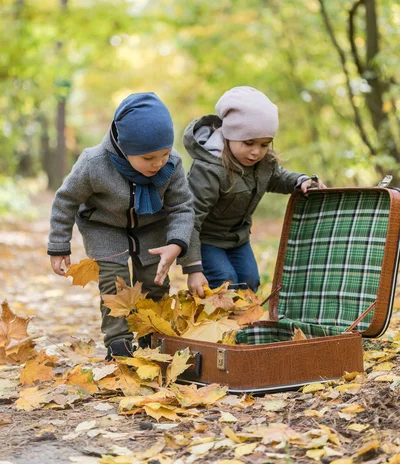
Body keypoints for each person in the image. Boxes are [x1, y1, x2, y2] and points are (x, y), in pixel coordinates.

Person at [48, 92, 207, 359]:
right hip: (105, 226)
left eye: (164, 154)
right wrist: (58, 246)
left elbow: (182, 207)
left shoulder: (172, 163)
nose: (158, 164)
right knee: (115, 283)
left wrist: (177, 244)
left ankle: (150, 336)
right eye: (148, 158)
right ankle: (118, 342)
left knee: (154, 281)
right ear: (125, 146)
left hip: (152, 226)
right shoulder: (93, 163)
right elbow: (66, 200)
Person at [183, 86, 326, 292]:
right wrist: (193, 267)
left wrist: (300, 180)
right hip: (206, 239)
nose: (256, 152)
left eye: (264, 144)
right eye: (249, 143)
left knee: (249, 281)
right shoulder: (209, 169)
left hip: (237, 238)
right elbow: (190, 218)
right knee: (225, 281)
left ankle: (244, 320)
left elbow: (277, 178)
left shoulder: (263, 163)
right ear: (230, 134)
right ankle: (217, 322)